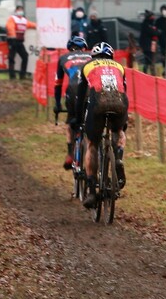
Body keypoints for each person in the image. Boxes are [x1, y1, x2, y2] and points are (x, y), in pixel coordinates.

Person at [74, 42, 129, 208]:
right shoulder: (120, 67)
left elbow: (80, 95)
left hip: (98, 101)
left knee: (92, 143)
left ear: (93, 56)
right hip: (120, 102)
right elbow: (123, 90)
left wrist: (77, 119)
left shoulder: (87, 66)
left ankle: (91, 191)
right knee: (119, 132)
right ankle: (118, 158)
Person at [54, 36, 93, 170]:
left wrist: (57, 104)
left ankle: (70, 153)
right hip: (90, 89)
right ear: (84, 47)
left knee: (71, 122)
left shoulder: (63, 58)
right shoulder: (91, 56)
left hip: (73, 91)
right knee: (90, 121)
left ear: (70, 48)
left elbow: (57, 84)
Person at [5, 5, 35, 80]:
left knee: (25, 57)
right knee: (11, 58)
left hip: (19, 42)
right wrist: (13, 37)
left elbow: (32, 25)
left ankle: (22, 75)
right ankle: (12, 76)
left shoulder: (24, 20)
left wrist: (41, 27)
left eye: (22, 10)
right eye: (19, 10)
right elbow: (10, 27)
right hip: (12, 40)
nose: (20, 11)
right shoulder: (12, 18)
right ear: (16, 11)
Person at [138, 9, 159, 74]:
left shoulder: (152, 24)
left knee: (151, 60)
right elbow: (152, 32)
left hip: (152, 45)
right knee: (148, 60)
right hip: (147, 46)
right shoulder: (146, 25)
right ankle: (145, 73)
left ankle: (152, 73)